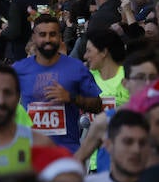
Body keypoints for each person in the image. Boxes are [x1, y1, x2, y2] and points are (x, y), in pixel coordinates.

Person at [14, 14, 102, 152]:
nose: (48, 39)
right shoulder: (18, 69)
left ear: (60, 37)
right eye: (42, 34)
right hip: (30, 153)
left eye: (52, 34)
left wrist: (71, 98)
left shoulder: (76, 68)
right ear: (34, 38)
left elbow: (97, 105)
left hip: (66, 153)